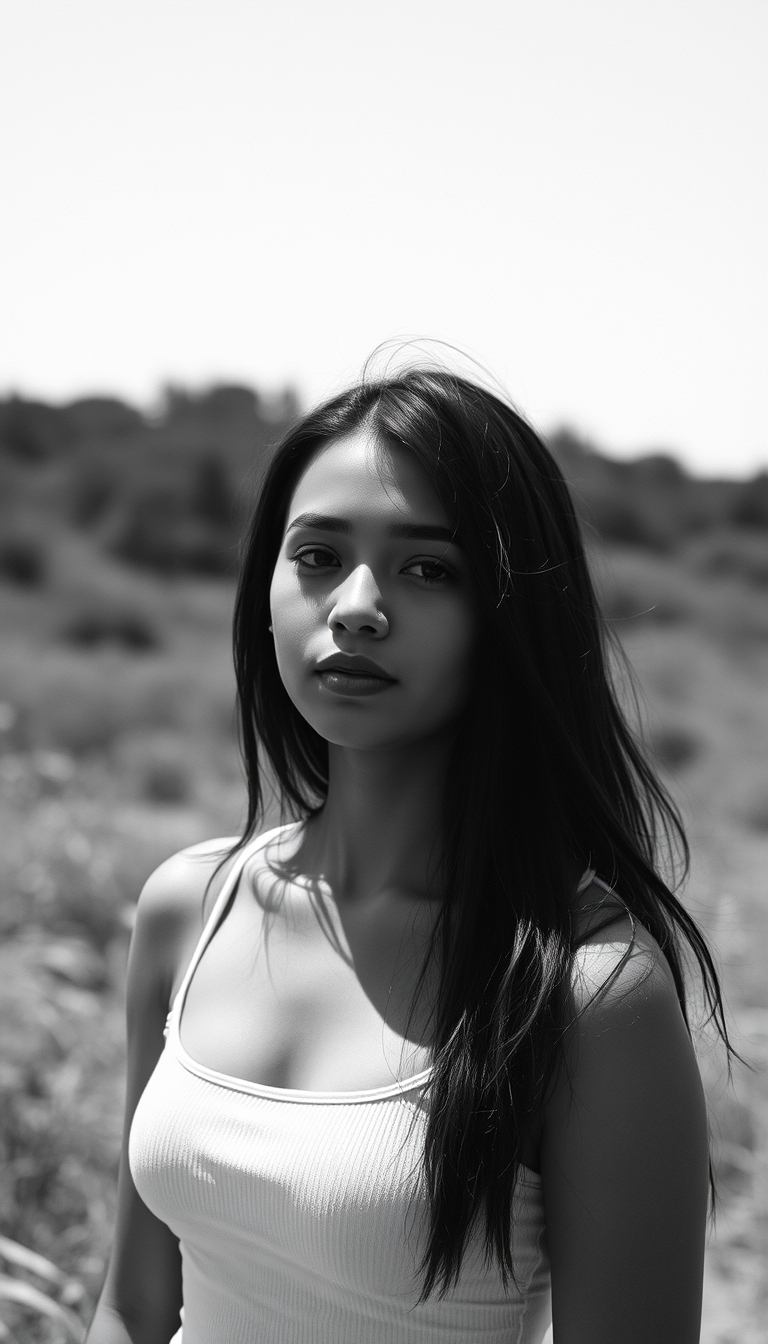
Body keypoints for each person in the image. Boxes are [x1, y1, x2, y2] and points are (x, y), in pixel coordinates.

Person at [86, 367, 729, 1344]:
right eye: (316, 555)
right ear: (265, 589)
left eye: (428, 569)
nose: (355, 606)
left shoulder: (588, 994)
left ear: (508, 616)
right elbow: (133, 1308)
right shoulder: (189, 908)